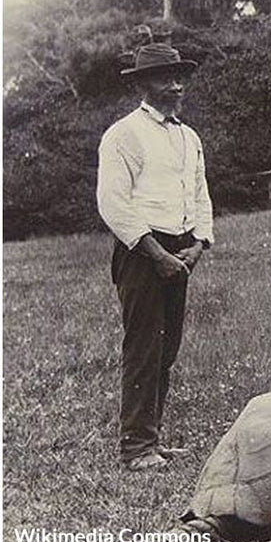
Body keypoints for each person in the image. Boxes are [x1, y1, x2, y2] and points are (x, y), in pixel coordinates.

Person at [96, 42, 214, 471]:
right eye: (166, 77)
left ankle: (153, 440)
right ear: (144, 84)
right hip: (142, 253)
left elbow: (200, 193)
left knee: (167, 350)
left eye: (181, 76)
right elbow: (113, 204)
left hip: (181, 250)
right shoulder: (124, 135)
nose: (177, 85)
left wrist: (199, 244)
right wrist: (156, 253)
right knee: (144, 348)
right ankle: (136, 447)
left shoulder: (188, 136)